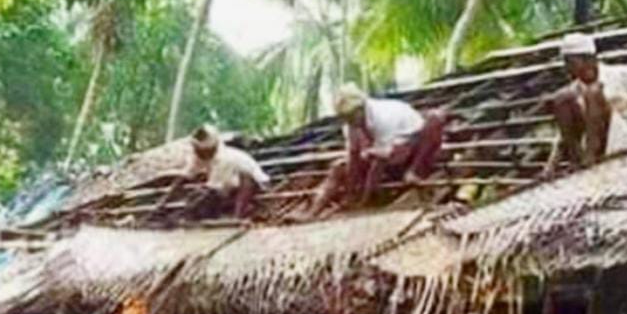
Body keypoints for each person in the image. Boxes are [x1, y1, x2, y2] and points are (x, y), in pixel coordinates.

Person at [295, 84, 446, 220]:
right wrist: (351, 191)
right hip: (388, 154)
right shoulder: (350, 125)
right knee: (338, 167)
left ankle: (414, 172)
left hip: (411, 148)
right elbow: (353, 156)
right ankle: (312, 213)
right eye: (345, 117)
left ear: (361, 108)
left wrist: (363, 199)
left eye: (351, 116)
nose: (349, 120)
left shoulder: (383, 116)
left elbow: (380, 160)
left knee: (436, 118)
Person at [546, 32, 627, 175]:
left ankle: (590, 160)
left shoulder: (623, 75)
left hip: (626, 142)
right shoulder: (573, 91)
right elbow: (564, 136)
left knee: (593, 94)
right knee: (563, 98)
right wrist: (550, 167)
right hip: (592, 152)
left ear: (588, 58)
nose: (567, 67)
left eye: (571, 62)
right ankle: (583, 163)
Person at [156, 125, 270, 221]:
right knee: (199, 193)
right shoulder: (199, 156)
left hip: (255, 184)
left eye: (200, 150)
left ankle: (238, 216)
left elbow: (213, 191)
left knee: (245, 180)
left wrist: (185, 211)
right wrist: (163, 201)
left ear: (211, 148)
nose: (197, 152)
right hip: (229, 184)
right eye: (196, 149)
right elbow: (184, 177)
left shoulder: (224, 159)